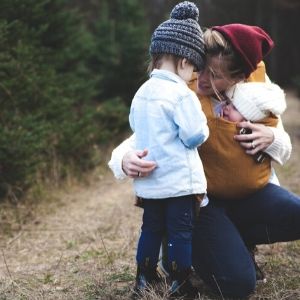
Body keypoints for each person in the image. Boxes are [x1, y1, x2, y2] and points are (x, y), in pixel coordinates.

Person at [108, 23, 300, 299]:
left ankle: (236, 238)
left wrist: (272, 138)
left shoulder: (257, 89)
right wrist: (123, 159)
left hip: (248, 195)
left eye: (216, 75)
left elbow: (283, 143)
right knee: (237, 285)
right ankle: (181, 240)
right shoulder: (180, 88)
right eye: (202, 69)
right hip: (199, 203)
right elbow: (145, 133)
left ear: (239, 78)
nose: (203, 80)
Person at [128, 1, 209, 297]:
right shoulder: (180, 94)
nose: (194, 76)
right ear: (184, 61)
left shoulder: (142, 92)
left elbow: (137, 129)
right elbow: (193, 135)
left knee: (150, 229)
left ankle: (144, 277)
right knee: (179, 233)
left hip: (150, 184)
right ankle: (180, 281)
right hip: (179, 183)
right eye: (195, 68)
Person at [201, 81, 287, 200]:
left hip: (258, 189)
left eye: (235, 108)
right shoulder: (207, 104)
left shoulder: (261, 96)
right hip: (211, 195)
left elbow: (286, 151)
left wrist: (273, 138)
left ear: (250, 120)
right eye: (228, 103)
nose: (226, 108)